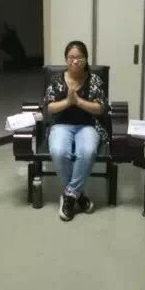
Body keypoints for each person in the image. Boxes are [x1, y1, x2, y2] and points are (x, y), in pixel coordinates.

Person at [44, 40, 108, 221]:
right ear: (66, 59)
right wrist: (68, 102)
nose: (75, 61)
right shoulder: (57, 80)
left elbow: (100, 109)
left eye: (79, 57)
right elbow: (49, 108)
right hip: (61, 125)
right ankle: (78, 195)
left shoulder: (94, 80)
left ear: (86, 59)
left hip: (88, 125)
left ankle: (69, 195)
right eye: (71, 57)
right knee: (59, 151)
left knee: (87, 151)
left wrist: (78, 102)